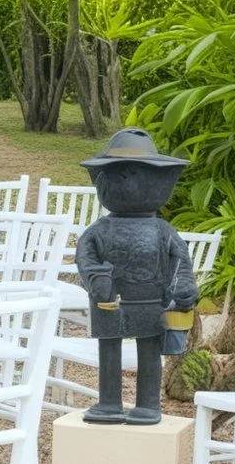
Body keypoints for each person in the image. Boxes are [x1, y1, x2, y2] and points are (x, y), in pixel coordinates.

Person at [73, 128, 197, 424]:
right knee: (110, 348)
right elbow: (85, 258)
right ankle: (109, 402)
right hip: (109, 301)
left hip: (150, 300)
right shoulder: (99, 231)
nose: (130, 184)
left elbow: (180, 260)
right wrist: (94, 279)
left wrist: (182, 285)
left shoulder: (162, 231)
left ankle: (148, 403)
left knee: (149, 350)